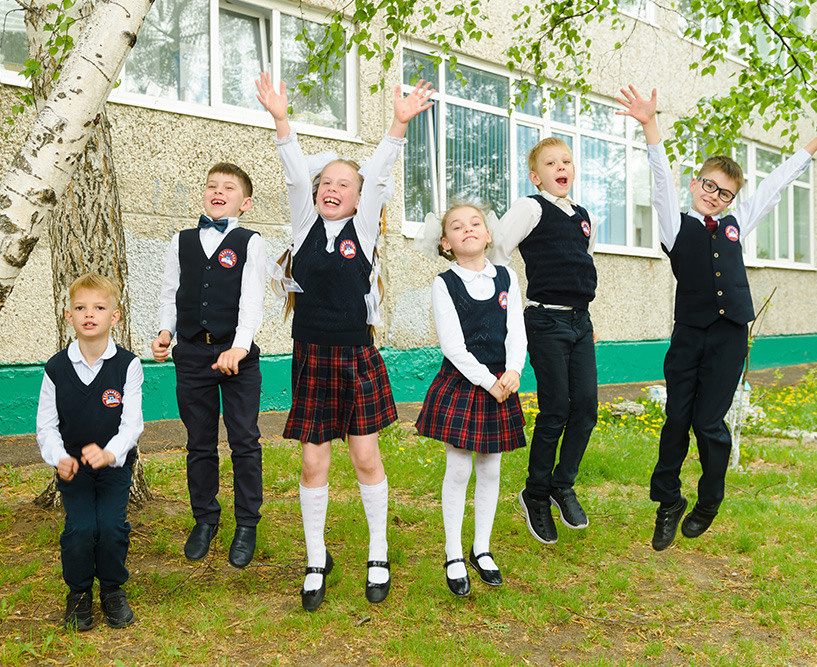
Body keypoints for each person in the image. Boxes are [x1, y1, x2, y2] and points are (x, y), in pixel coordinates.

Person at [615, 84, 817, 551]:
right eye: (709, 186)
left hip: (728, 336)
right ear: (695, 184)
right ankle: (668, 502)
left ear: (731, 199)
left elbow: (775, 184)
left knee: (710, 422)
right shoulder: (672, 222)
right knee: (677, 419)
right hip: (688, 335)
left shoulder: (737, 223)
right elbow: (660, 178)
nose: (715, 196)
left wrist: (816, 144)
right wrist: (650, 125)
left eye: (725, 193)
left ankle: (710, 499)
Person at [255, 71, 434, 611]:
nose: (332, 189)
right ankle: (316, 560)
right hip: (311, 358)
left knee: (364, 458)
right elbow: (292, 175)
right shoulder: (304, 225)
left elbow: (379, 174)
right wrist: (282, 122)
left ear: (359, 200)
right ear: (315, 196)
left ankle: (378, 552)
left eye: (344, 185)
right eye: (325, 184)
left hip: (356, 357)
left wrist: (398, 126)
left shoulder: (365, 231)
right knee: (313, 465)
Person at [151, 162, 266, 567]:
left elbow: (252, 300)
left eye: (229, 188)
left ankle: (246, 523)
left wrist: (238, 347)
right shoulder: (180, 241)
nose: (219, 191)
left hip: (236, 355)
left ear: (244, 201)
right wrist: (165, 333)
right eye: (212, 186)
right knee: (199, 443)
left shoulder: (250, 241)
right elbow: (170, 292)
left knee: (244, 441)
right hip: (192, 356)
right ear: (204, 194)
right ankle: (205, 518)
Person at [489, 137, 598, 544]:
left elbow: (584, 260)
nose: (561, 167)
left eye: (566, 160)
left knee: (585, 409)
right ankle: (535, 494)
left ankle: (561, 485)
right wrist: (508, 299)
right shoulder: (531, 206)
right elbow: (499, 246)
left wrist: (586, 316)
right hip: (545, 321)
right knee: (556, 410)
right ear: (537, 176)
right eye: (551, 163)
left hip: (580, 323)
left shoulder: (582, 215)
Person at [414, 204, 527, 597]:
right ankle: (452, 552)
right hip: (465, 382)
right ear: (446, 243)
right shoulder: (445, 283)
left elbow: (516, 330)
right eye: (457, 227)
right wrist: (487, 381)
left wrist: (514, 370)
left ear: (489, 234)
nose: (468, 230)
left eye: (475, 223)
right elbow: (453, 346)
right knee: (459, 469)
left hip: (502, 381)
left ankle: (481, 548)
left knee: (491, 469)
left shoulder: (507, 276)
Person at [36, 273, 143, 630]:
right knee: (81, 528)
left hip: (113, 468)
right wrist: (58, 458)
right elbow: (46, 427)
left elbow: (132, 425)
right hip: (74, 469)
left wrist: (111, 453)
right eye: (80, 307)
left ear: (115, 316)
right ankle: (79, 593)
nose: (89, 314)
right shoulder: (56, 369)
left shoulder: (127, 365)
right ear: (69, 316)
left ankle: (112, 590)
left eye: (99, 307)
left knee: (111, 526)